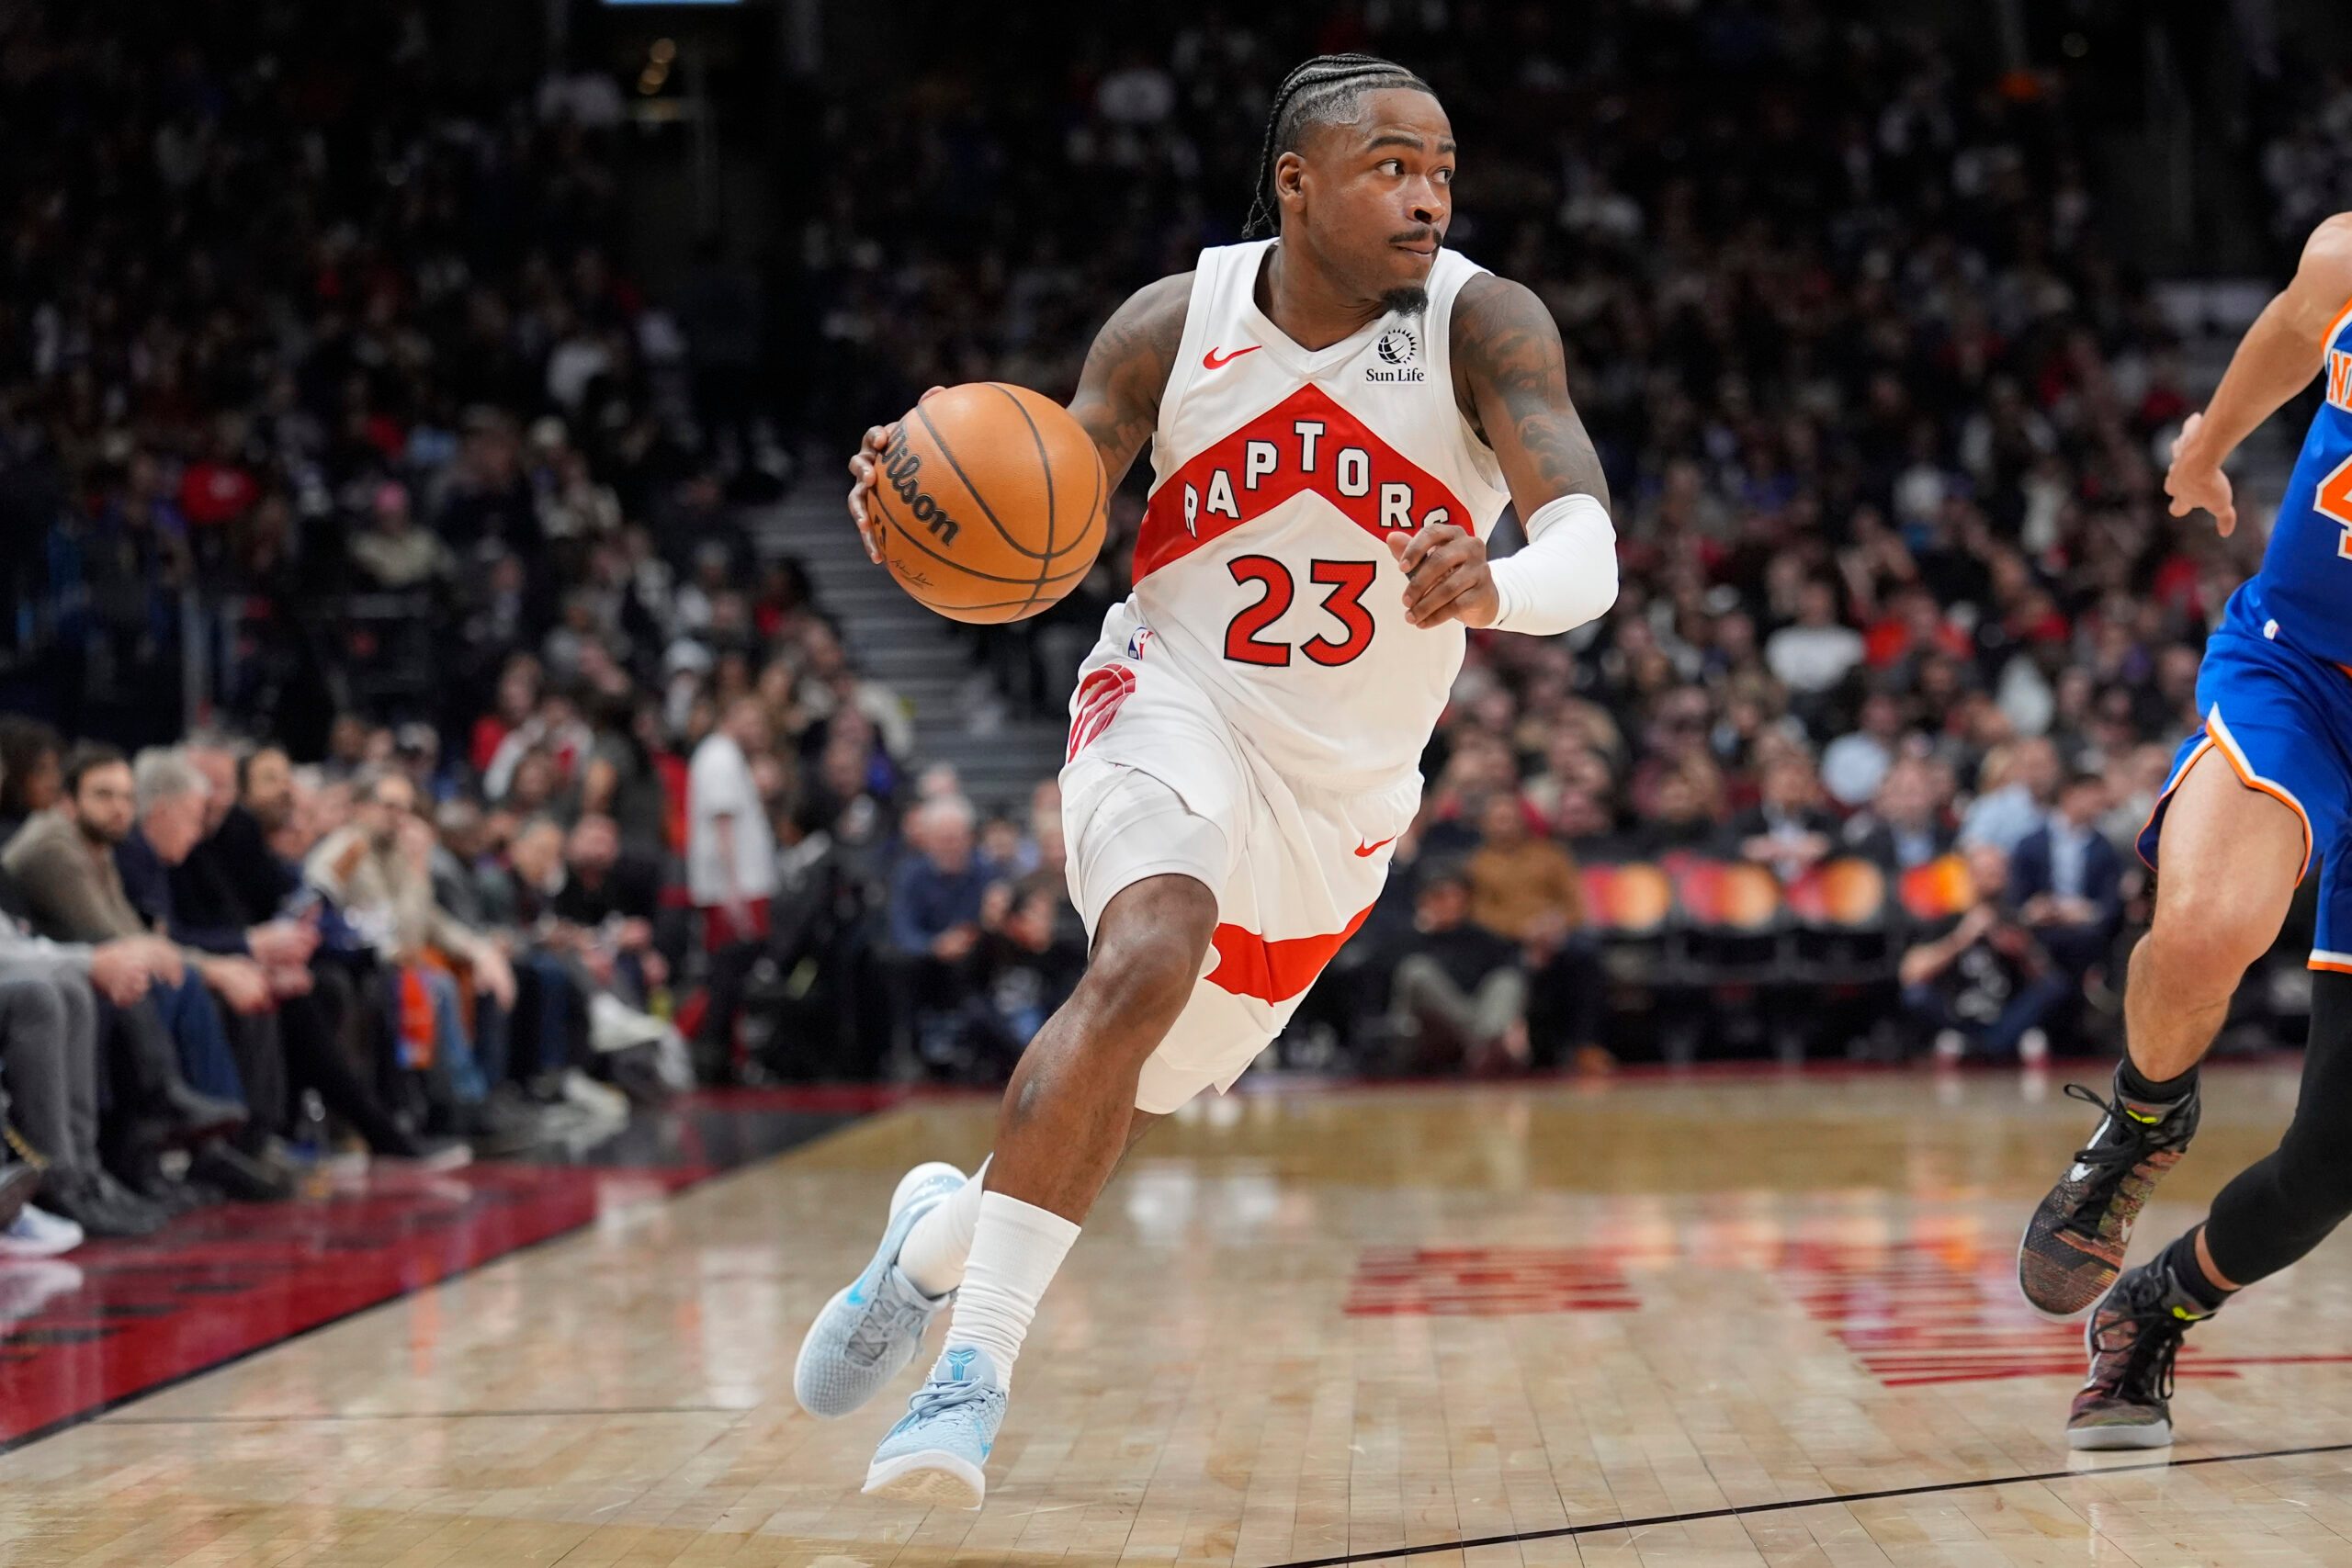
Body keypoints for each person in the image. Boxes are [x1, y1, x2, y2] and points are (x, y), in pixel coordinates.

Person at [797, 53, 1619, 1506]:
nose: (1428, 196)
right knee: (1146, 952)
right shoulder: (1175, 323)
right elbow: (1043, 508)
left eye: (1441, 169)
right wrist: (922, 494)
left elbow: (1591, 549)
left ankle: (931, 1239)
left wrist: (1499, 583)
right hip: (1168, 696)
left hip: (1341, 797)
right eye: (1390, 166)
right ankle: (969, 1375)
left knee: (1139, 1082)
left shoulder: (1484, 324)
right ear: (1296, 183)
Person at [2016, 212, 2352, 1450]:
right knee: (2206, 923)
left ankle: (2155, 1307)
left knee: (2332, 1164)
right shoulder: (2351, 255)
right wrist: (2207, 446)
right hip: (2300, 672)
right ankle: (2145, 1119)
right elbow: (2293, 325)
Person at [1898, 841, 2064, 1064]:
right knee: (1916, 995)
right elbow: (1910, 973)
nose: (1992, 879)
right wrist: (1960, 939)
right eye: (1985, 872)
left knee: (2055, 987)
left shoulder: (2016, 918)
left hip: (2004, 1014)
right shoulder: (1949, 918)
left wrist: (2023, 952)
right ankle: (1988, 1043)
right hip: (1959, 1011)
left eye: (1997, 872)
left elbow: (2046, 978)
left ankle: (1979, 1045)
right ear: (1970, 875)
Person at [686, 696, 778, 1077]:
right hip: (735, 886)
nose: (757, 729)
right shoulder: (720, 757)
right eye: (750, 720)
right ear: (730, 716)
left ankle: (725, 1056)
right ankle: (711, 1054)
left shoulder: (726, 756)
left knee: (732, 976)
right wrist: (733, 891)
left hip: (737, 884)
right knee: (728, 974)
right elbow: (722, 824)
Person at [1384, 863, 1527, 1070]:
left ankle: (1484, 1048)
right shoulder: (1406, 939)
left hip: (1480, 1013)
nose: (1450, 904)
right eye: (1440, 896)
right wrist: (1422, 930)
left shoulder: (1481, 937)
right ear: (1423, 900)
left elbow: (1510, 970)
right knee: (1416, 971)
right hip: (1431, 1028)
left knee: (1507, 979)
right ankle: (1484, 1047)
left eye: (1456, 896)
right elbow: (1387, 976)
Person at [2007, 768, 2122, 984]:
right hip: (2040, 933)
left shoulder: (2105, 850)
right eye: (2091, 797)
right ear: (2069, 794)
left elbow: (2111, 904)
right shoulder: (2030, 845)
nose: (2097, 806)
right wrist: (2034, 911)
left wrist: (2086, 912)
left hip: (2085, 935)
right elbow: (2016, 900)